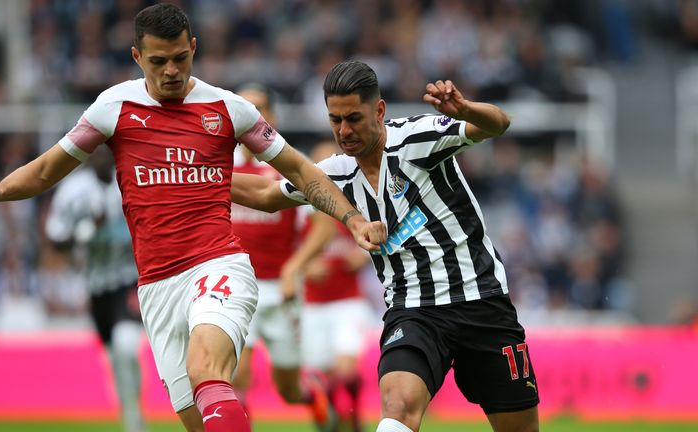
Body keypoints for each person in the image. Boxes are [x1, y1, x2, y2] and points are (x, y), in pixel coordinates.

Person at [0, 5, 386, 431]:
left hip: (219, 265)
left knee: (210, 368)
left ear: (194, 49)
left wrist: (351, 218)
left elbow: (298, 170)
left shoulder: (229, 109)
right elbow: (44, 171)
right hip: (157, 286)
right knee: (198, 418)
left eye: (180, 58)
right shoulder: (113, 108)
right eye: (158, 61)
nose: (171, 71)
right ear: (136, 57)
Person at [231, 60, 540, 432]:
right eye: (335, 120)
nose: (344, 131)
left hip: (480, 301)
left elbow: (499, 124)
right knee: (397, 405)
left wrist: (466, 109)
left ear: (379, 110)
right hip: (413, 310)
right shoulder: (337, 172)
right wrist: (196, 174)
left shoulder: (417, 140)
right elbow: (266, 192)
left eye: (354, 118)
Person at [229, 83, 337, 431]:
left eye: (257, 108)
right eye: (241, 108)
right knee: (237, 374)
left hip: (281, 289)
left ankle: (312, 394)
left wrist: (297, 265)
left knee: (288, 389)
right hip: (233, 287)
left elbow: (324, 225)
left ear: (270, 117)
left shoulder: (288, 166)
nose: (247, 115)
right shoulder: (217, 165)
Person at [45, 146, 146, 432]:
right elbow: (55, 238)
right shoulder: (74, 191)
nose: (103, 158)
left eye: (108, 151)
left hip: (130, 277)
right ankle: (129, 407)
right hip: (95, 283)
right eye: (97, 152)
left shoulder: (131, 181)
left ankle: (135, 415)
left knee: (127, 345)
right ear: (89, 156)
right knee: (114, 355)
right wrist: (88, 228)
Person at [278, 139, 376, 432]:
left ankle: (353, 419)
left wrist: (363, 255)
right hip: (311, 305)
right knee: (323, 377)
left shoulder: (356, 202)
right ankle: (334, 422)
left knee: (346, 372)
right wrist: (306, 265)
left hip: (348, 300)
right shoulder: (299, 206)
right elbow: (283, 248)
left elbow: (378, 236)